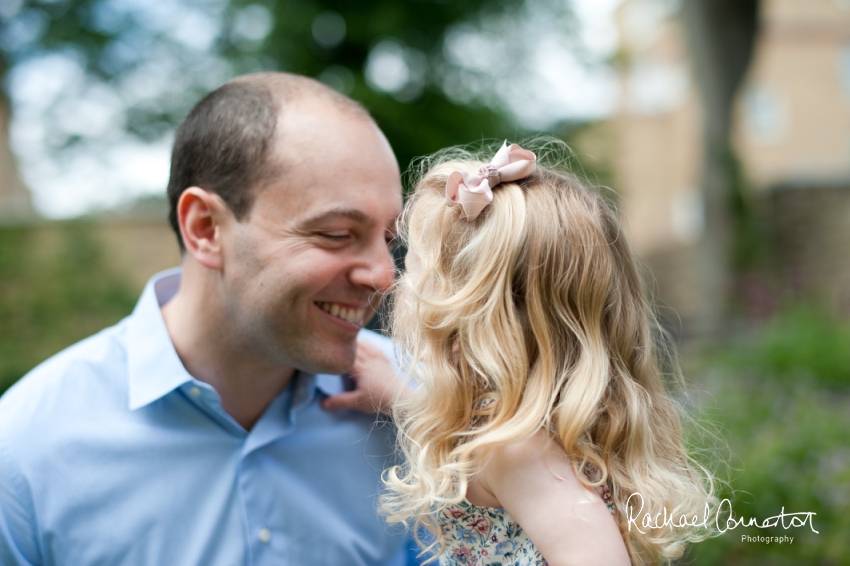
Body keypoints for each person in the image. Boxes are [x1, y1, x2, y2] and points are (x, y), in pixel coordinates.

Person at [0, 72, 416, 565]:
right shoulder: (24, 452)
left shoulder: (420, 405)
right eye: (336, 234)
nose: (384, 277)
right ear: (205, 228)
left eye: (388, 239)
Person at [376, 141, 718, 565]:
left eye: (411, 270)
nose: (395, 285)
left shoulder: (514, 449)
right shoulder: (533, 428)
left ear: (466, 311)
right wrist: (399, 394)